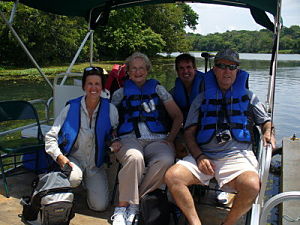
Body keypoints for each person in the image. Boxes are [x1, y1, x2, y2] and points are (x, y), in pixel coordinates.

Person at [165, 48, 276, 225]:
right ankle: (195, 223)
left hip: (237, 156)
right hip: (205, 155)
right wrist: (200, 157)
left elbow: (265, 121)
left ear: (237, 71)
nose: (227, 71)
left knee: (252, 185)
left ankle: (228, 223)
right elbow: (188, 133)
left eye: (232, 67)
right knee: (173, 176)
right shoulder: (201, 98)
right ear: (214, 69)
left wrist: (268, 132)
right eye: (222, 66)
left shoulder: (249, 97)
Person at [110, 52, 183, 225]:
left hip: (157, 139)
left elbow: (178, 116)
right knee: (135, 158)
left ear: (147, 70)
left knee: (166, 159)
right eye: (133, 68)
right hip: (129, 138)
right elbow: (109, 122)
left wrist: (171, 138)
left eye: (141, 68)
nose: (137, 72)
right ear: (128, 71)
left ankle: (134, 204)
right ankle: (121, 209)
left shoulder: (159, 90)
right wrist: (114, 139)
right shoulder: (120, 94)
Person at [45, 66, 121, 211]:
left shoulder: (111, 110)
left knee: (99, 206)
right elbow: (50, 137)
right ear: (84, 86)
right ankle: (74, 184)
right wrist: (60, 157)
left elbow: (114, 134)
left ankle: (88, 185)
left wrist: (115, 141)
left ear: (102, 87)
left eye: (97, 84)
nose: (93, 88)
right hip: (74, 160)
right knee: (73, 178)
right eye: (89, 84)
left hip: (95, 165)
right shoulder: (70, 108)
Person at [170, 53, 204, 159]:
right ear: (177, 71)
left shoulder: (207, 88)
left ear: (195, 68)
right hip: (183, 129)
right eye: (181, 68)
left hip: (203, 129)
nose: (185, 71)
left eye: (189, 67)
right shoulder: (173, 92)